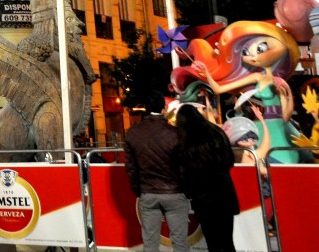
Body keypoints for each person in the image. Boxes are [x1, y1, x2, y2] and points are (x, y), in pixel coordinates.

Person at [175, 20, 301, 163]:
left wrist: (283, 113)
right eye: (246, 52)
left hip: (278, 124)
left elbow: (287, 110)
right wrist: (206, 73)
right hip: (266, 123)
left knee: (286, 157)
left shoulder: (278, 82)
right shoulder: (256, 77)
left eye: (261, 48)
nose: (253, 56)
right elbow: (219, 89)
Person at [123, 92, 189, 252]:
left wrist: (138, 190)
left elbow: (131, 168)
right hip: (174, 192)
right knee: (180, 242)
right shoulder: (176, 133)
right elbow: (184, 165)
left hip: (147, 193)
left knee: (150, 243)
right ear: (164, 108)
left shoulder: (133, 133)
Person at [175, 105, 239, 252]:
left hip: (203, 198)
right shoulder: (216, 132)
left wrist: (189, 193)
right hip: (224, 193)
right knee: (227, 241)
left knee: (213, 242)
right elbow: (229, 161)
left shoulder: (185, 141)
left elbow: (183, 173)